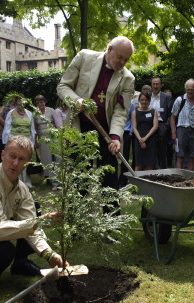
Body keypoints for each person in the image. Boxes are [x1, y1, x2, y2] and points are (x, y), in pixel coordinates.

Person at [0, 136, 67, 299]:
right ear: (2, 155)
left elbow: (32, 225)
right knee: (3, 251)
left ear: (27, 162)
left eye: (21, 159)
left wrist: (49, 255)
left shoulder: (22, 189)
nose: (15, 163)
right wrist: (37, 222)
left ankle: (20, 263)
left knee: (34, 211)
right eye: (12, 156)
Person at [57, 36, 135, 192]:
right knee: (79, 181)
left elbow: (120, 112)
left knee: (109, 183)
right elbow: (63, 86)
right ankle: (77, 214)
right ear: (109, 48)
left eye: (126, 60)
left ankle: (111, 215)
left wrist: (115, 137)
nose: (122, 63)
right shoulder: (84, 57)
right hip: (79, 129)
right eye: (120, 57)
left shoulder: (128, 78)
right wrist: (76, 100)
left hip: (106, 134)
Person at [2, 94, 37, 188]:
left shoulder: (29, 113)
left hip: (27, 139)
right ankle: (16, 181)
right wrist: (8, 142)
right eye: (18, 100)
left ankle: (26, 182)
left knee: (25, 160)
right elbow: (7, 127)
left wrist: (32, 142)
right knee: (15, 161)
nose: (20, 102)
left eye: (22, 100)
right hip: (15, 139)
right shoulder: (11, 112)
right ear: (16, 102)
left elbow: (32, 128)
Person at [170, 79, 194, 171]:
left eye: (192, 89)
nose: (190, 91)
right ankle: (179, 178)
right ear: (185, 89)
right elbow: (172, 117)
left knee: (192, 157)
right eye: (188, 89)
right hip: (182, 130)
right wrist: (173, 133)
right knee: (180, 156)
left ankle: (189, 179)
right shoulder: (179, 100)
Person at [150, 76, 173, 169]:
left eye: (157, 84)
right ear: (151, 85)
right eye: (153, 84)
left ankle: (162, 171)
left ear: (161, 85)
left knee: (162, 152)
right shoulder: (147, 96)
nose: (155, 86)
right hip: (149, 126)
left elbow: (171, 114)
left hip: (162, 125)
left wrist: (166, 126)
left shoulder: (167, 97)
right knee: (151, 151)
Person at [132, 92, 158, 170]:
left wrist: (145, 138)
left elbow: (155, 126)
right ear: (139, 100)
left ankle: (148, 181)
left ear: (149, 101)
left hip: (150, 140)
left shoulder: (154, 111)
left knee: (150, 165)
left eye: (146, 100)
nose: (144, 102)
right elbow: (134, 128)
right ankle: (136, 182)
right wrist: (140, 139)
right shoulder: (134, 112)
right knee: (138, 165)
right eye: (142, 100)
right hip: (138, 140)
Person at [34, 94, 56, 183]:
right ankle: (47, 177)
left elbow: (56, 123)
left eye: (41, 102)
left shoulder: (51, 110)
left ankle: (55, 177)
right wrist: (36, 141)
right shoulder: (35, 113)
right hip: (42, 138)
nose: (40, 104)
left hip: (52, 136)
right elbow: (35, 128)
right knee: (45, 158)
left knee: (53, 157)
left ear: (45, 102)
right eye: (38, 103)